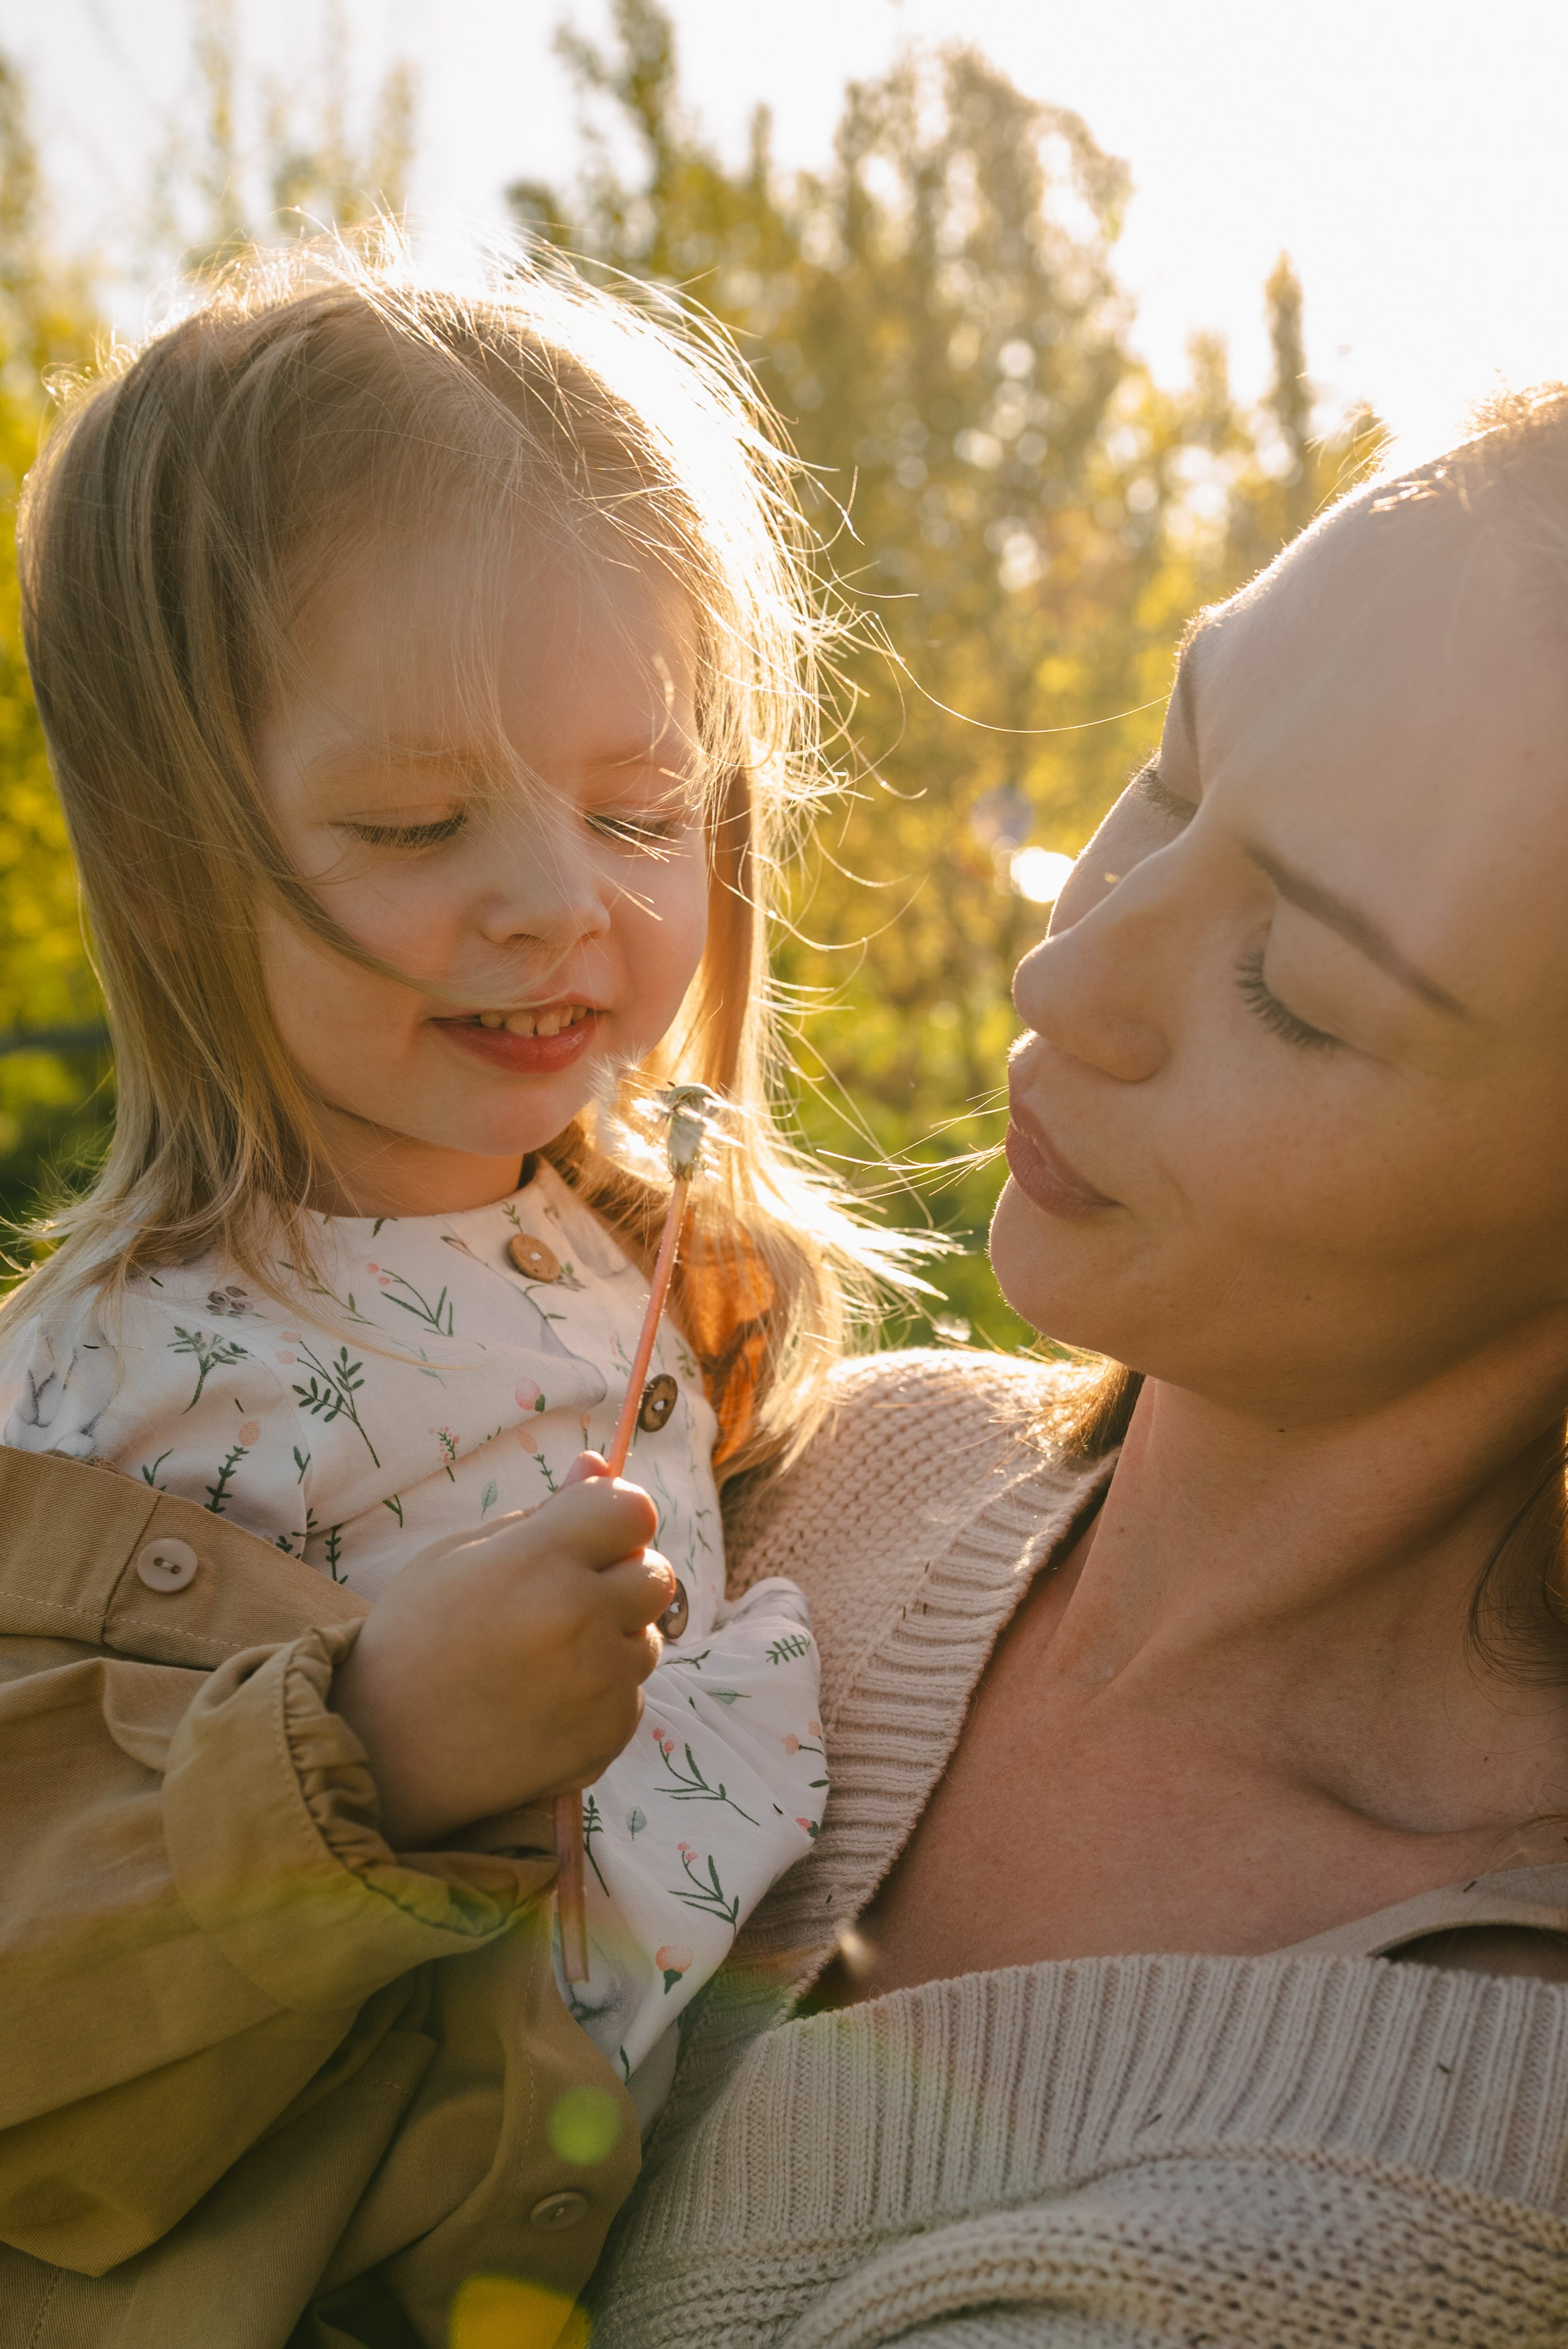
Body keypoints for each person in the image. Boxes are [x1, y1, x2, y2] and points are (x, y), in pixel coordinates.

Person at [587, 393, 1568, 2347]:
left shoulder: (1456, 2172)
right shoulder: (843, 1463)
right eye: (1172, 773)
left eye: (1298, 987)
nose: (1069, 976)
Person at [0, 242, 900, 2345]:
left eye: (642, 806)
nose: (553, 900)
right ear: (164, 848)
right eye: (416, 820)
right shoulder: (114, 1386)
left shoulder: (642, 1270)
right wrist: (367, 1749)